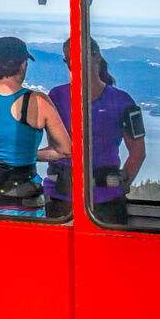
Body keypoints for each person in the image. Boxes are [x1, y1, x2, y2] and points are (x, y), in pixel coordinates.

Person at [0, 34, 71, 207]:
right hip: (23, 195)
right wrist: (30, 155)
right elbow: (65, 150)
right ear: (23, 65)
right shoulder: (38, 102)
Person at [45, 40, 147, 216]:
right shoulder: (55, 96)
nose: (73, 64)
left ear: (97, 57)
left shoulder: (123, 101)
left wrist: (117, 185)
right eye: (68, 60)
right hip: (60, 196)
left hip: (106, 201)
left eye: (78, 57)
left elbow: (138, 153)